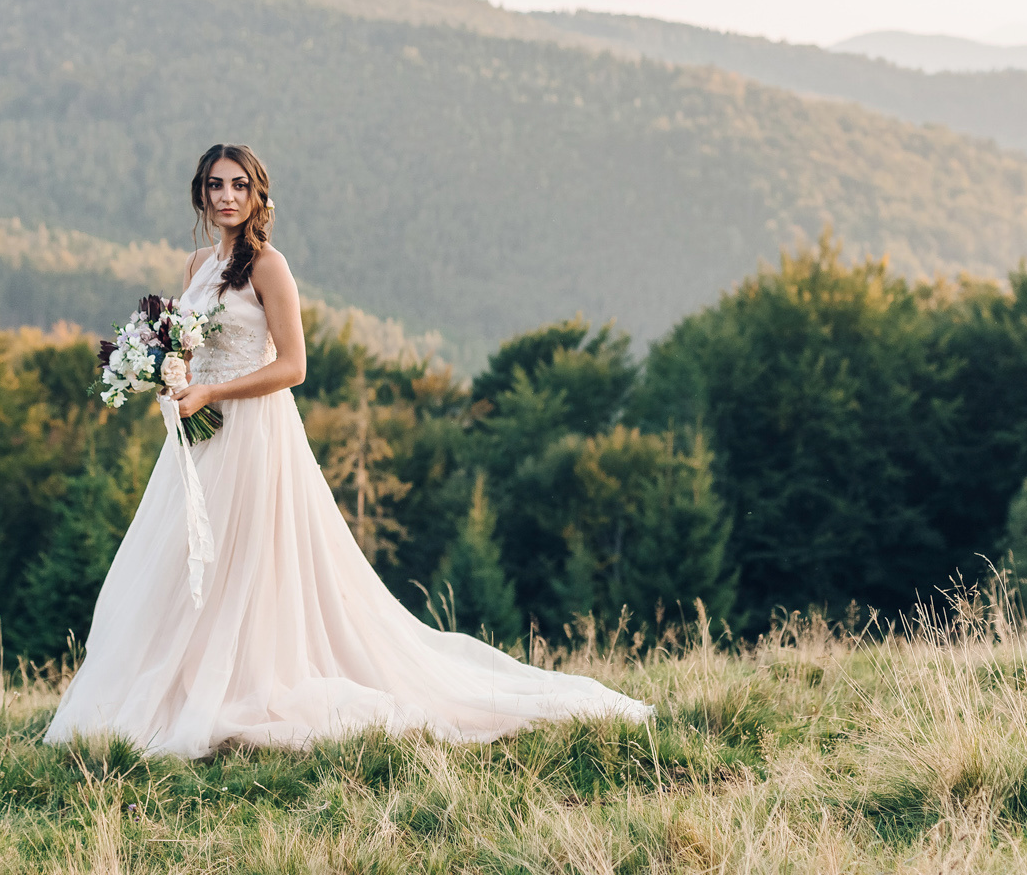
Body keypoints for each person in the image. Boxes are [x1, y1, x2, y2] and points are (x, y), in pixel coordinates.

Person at [45, 143, 651, 758]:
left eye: (238, 185)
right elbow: (191, 350)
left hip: (255, 433)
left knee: (250, 558)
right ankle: (188, 686)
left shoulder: (269, 267)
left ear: (257, 195)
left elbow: (294, 366)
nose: (226, 196)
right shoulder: (196, 264)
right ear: (201, 194)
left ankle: (249, 682)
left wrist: (214, 392)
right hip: (203, 439)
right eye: (215, 185)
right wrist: (171, 379)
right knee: (189, 560)